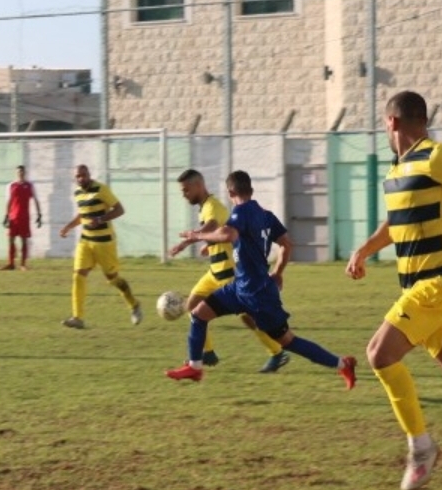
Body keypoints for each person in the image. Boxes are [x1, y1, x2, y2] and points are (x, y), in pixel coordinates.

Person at [346, 90, 442, 490]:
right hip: (421, 287)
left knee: (378, 353)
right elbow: (396, 222)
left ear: (392, 122)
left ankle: (421, 448)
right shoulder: (398, 170)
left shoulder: (439, 157)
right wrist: (364, 250)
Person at [165, 170, 356, 389]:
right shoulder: (266, 215)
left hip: (258, 294)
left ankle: (343, 364)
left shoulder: (241, 212)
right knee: (198, 314)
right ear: (251, 190)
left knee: (288, 341)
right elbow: (286, 244)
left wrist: (196, 235)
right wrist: (278, 272)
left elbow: (228, 234)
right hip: (240, 288)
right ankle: (195, 367)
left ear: (230, 192)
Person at [169, 169, 290, 373]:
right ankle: (206, 353)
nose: (184, 194)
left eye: (186, 190)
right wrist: (209, 244)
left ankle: (277, 352)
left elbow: (213, 226)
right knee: (192, 305)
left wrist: (188, 241)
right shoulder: (206, 206)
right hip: (214, 272)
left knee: (249, 317)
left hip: (228, 271)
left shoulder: (212, 206)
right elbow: (221, 233)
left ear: (198, 186)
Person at [58, 164, 142, 329]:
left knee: (113, 279)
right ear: (75, 178)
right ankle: (78, 317)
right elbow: (83, 215)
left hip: (104, 243)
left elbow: (119, 209)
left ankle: (134, 304)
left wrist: (101, 219)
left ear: (89, 174)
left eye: (84, 175)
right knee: (78, 275)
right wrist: (69, 226)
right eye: (78, 176)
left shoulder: (101, 189)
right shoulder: (77, 193)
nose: (81, 178)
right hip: (85, 241)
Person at [0, 164, 43, 271]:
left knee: (24, 240)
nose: (20, 173)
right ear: (16, 173)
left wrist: (39, 215)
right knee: (11, 239)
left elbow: (36, 200)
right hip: (13, 217)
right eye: (19, 172)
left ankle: (23, 264)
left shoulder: (30, 185)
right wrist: (6, 216)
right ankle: (11, 263)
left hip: (24, 217)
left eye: (22, 171)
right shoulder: (11, 185)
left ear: (25, 173)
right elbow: (8, 202)